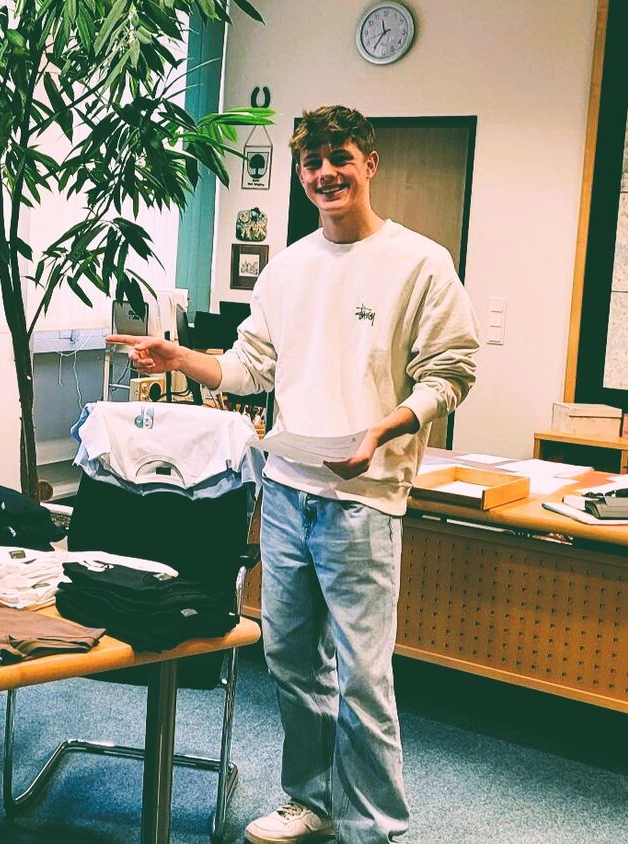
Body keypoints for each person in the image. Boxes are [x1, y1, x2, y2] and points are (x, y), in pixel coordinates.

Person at [108, 106, 479, 844]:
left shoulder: (421, 262)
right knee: (289, 662)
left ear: (369, 163)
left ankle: (374, 827)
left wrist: (385, 430)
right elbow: (249, 368)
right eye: (312, 163)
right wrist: (180, 358)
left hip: (364, 499)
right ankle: (311, 800)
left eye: (339, 158)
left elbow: (451, 373)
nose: (325, 174)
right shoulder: (288, 267)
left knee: (363, 678)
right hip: (286, 491)